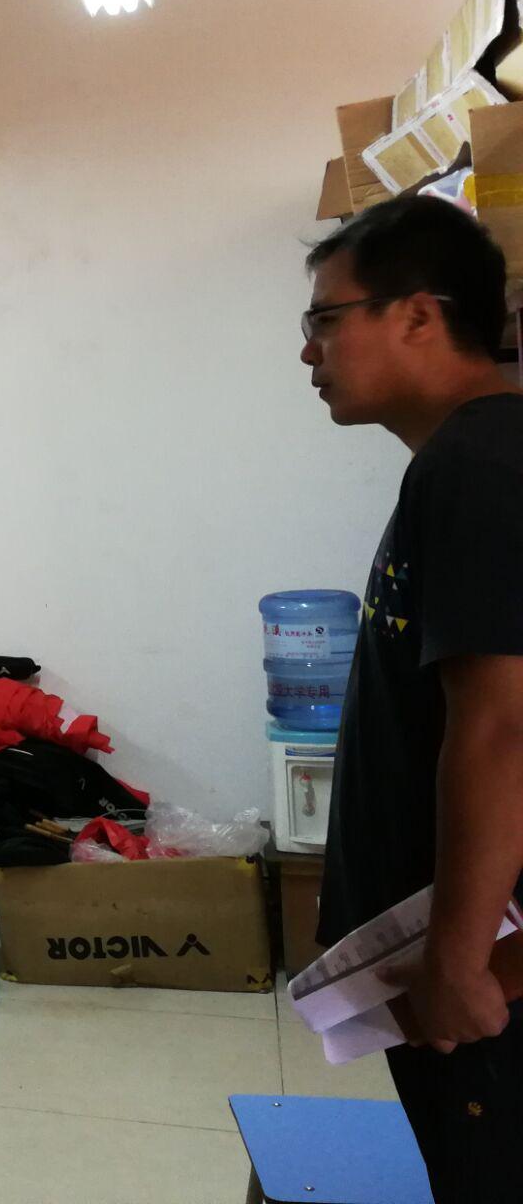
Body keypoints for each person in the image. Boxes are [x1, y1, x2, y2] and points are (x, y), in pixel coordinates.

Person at [302, 196, 523, 1200]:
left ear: (419, 315)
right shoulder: (461, 464)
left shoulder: (482, 467)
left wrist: (459, 961)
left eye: (326, 319)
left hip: (485, 969)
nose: (309, 352)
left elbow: (502, 726)